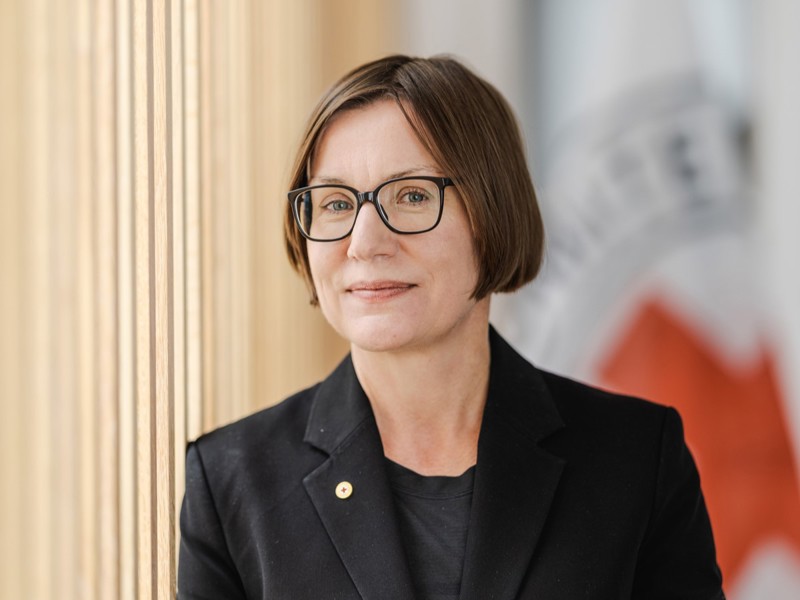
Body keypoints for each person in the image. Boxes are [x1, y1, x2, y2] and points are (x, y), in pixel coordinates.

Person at [178, 55, 724, 600]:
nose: (364, 243)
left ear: (492, 212)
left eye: (412, 196)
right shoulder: (231, 483)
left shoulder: (636, 460)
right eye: (336, 204)